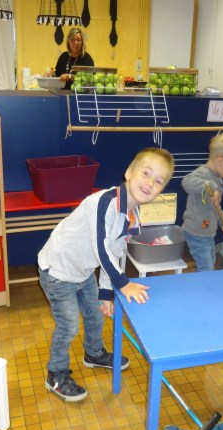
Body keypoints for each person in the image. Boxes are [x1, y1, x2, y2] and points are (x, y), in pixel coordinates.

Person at [38, 148, 175, 402]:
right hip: (58, 270)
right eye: (146, 173)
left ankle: (93, 354)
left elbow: (113, 253)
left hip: (82, 271)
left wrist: (105, 292)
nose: (150, 183)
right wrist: (122, 284)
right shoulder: (104, 202)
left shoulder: (134, 217)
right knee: (68, 326)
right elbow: (101, 248)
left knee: (95, 316)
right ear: (129, 172)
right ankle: (55, 375)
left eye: (158, 181)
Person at [181, 132, 223, 272]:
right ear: (220, 161)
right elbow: (186, 182)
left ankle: (201, 282)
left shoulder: (218, 178)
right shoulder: (204, 173)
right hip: (196, 232)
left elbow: (215, 207)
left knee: (209, 263)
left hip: (207, 232)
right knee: (206, 267)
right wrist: (210, 186)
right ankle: (203, 285)